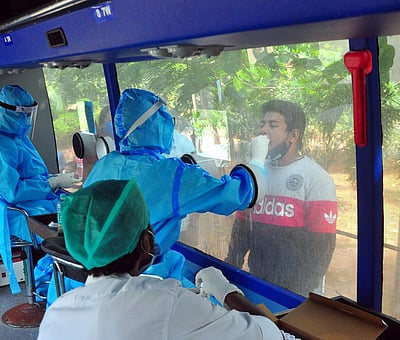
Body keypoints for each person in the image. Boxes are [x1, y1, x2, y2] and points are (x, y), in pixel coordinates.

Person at [38, 179, 283, 339]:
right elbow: (269, 335)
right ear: (146, 242)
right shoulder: (167, 303)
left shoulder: (57, 311)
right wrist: (223, 290)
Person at [83, 88, 269, 287]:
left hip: (96, 278)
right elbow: (240, 194)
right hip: (145, 280)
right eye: (166, 120)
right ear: (156, 125)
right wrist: (257, 159)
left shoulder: (105, 164)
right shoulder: (169, 174)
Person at [0, 84, 78, 293]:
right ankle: (57, 285)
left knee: (74, 210)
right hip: (15, 211)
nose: (27, 120)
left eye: (30, 114)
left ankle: (54, 282)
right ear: (8, 112)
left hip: (31, 202)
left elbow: (31, 174)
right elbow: (12, 191)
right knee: (72, 227)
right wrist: (51, 184)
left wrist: (54, 179)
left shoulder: (14, 138)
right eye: (24, 114)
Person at [225, 99, 337, 296]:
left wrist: (298, 293)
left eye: (273, 125)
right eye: (262, 124)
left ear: (293, 135)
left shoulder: (316, 178)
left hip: (295, 291)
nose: (263, 130)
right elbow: (241, 230)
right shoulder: (255, 174)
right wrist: (229, 273)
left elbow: (321, 248)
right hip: (256, 281)